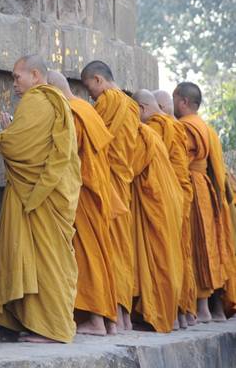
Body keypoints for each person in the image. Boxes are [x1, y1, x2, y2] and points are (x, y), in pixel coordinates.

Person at [0, 56, 81, 343]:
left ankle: (52, 329)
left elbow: (19, 147)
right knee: (50, 259)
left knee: (48, 260)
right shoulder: (56, 103)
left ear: (35, 75)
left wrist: (2, 137)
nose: (14, 83)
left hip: (40, 194)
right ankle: (45, 324)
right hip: (53, 192)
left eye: (17, 77)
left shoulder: (37, 100)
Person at [47, 71, 118, 336]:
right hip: (96, 189)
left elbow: (65, 151)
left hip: (83, 191)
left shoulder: (73, 113)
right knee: (97, 253)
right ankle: (106, 319)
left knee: (87, 254)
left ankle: (96, 321)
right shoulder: (87, 110)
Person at [80, 60, 139, 330]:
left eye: (88, 87)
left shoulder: (109, 101)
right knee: (121, 249)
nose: (89, 94)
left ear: (98, 80)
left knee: (105, 248)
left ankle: (107, 316)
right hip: (123, 182)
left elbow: (93, 139)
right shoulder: (132, 106)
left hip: (105, 182)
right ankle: (121, 316)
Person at [134, 89, 196, 329]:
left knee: (163, 254)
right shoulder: (175, 126)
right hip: (179, 193)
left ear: (144, 108)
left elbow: (140, 161)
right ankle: (182, 313)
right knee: (177, 253)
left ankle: (164, 313)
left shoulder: (155, 128)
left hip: (161, 193)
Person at [175, 82, 236, 323]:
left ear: (183, 102)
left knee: (196, 247)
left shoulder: (185, 126)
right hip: (210, 190)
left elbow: (178, 159)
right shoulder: (207, 128)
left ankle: (201, 308)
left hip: (192, 187)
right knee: (211, 246)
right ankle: (215, 309)